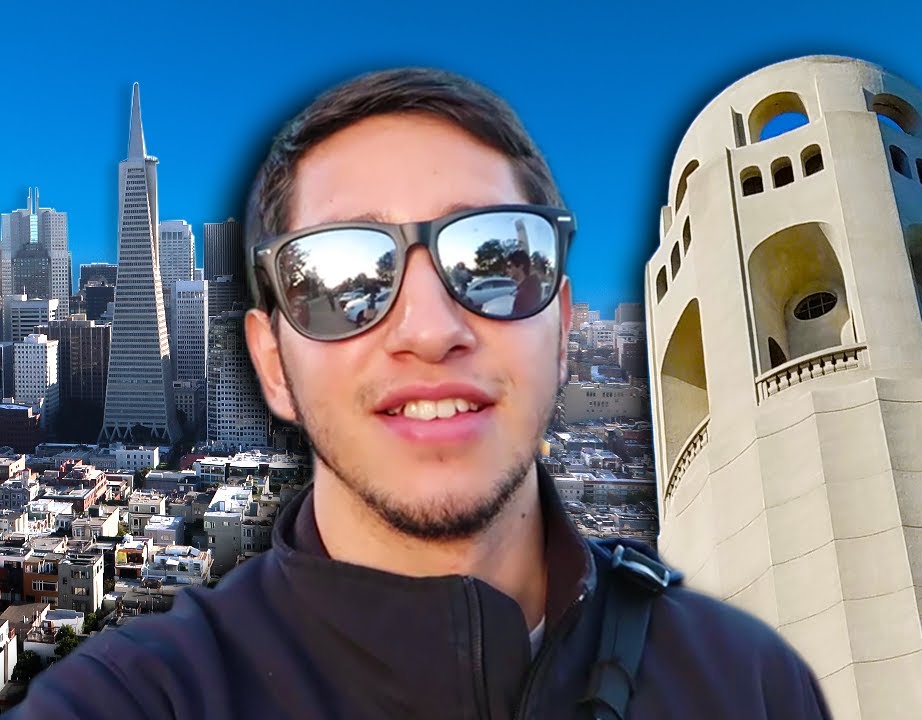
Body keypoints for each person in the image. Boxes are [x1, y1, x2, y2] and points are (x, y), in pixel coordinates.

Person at [6, 68, 831, 719]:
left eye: (497, 261)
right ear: (271, 364)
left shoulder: (749, 687)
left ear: (564, 327)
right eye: (339, 279)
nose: (429, 328)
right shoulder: (142, 698)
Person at [506, 249, 543, 315]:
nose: (507, 270)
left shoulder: (524, 294)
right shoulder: (531, 286)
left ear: (520, 266)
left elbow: (517, 321)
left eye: (510, 266)